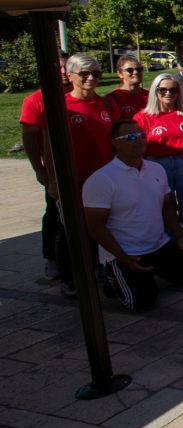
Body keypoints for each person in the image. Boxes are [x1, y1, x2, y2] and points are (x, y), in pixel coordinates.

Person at [83, 120, 183, 311]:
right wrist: (122, 257)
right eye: (131, 137)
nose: (139, 140)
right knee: (141, 302)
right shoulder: (101, 180)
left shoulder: (156, 169)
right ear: (115, 143)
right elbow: (95, 227)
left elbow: (168, 207)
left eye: (142, 135)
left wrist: (179, 237)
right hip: (127, 252)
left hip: (158, 245)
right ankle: (112, 277)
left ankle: (146, 274)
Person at [32, 54, 116, 296]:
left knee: (100, 226)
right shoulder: (59, 106)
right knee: (70, 231)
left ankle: (99, 268)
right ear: (70, 76)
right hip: (73, 180)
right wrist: (53, 181)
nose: (91, 78)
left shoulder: (106, 104)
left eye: (96, 73)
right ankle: (70, 279)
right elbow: (49, 147)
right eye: (85, 74)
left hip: (102, 179)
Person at [135, 73, 183, 268]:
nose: (168, 93)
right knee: (164, 209)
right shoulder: (142, 118)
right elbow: (138, 148)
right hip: (156, 165)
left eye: (173, 89)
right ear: (155, 92)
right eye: (163, 90)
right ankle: (175, 254)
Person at [19, 51, 69, 282]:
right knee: (56, 214)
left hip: (83, 166)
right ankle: (52, 258)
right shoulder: (35, 101)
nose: (63, 72)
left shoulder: (78, 96)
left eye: (66, 67)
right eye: (58, 68)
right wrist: (39, 169)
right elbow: (29, 136)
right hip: (55, 168)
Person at [106, 55, 148, 119]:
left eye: (139, 69)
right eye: (130, 70)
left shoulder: (150, 96)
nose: (136, 72)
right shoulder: (112, 99)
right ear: (120, 74)